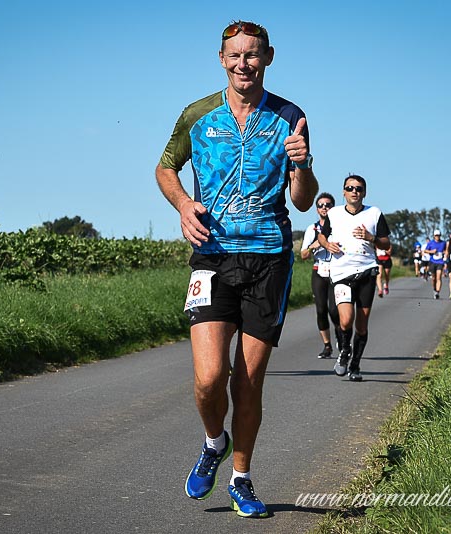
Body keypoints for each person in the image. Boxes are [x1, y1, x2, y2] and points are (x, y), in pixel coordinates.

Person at [155, 20, 318, 519]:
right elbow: (165, 167)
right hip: (212, 254)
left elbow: (303, 200)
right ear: (222, 59)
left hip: (269, 258)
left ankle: (241, 479)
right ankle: (214, 442)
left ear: (268, 57)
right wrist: (184, 205)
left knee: (247, 382)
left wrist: (303, 164)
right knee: (210, 378)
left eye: (252, 54)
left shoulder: (290, 116)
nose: (243, 63)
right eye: (235, 55)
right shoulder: (197, 115)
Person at [318, 175, 390, 382]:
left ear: (364, 193)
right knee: (346, 319)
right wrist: (326, 244)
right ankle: (344, 350)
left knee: (362, 325)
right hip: (341, 273)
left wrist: (371, 238)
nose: (354, 191)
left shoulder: (374, 213)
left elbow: (386, 244)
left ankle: (355, 365)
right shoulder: (334, 213)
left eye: (358, 188)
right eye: (350, 188)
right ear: (343, 192)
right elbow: (322, 235)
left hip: (366, 272)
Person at [300, 193, 340, 358]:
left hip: (337, 271)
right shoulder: (312, 229)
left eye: (328, 205)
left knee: (334, 310)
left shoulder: (339, 226)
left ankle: (341, 337)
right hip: (319, 271)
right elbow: (303, 255)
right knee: (321, 309)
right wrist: (313, 245)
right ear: (317, 209)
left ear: (333, 208)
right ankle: (327, 345)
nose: (324, 208)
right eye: (321, 205)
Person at [424, 230, 446, 299]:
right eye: (436, 235)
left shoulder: (443, 243)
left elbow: (446, 250)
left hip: (440, 262)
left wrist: (445, 253)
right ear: (434, 236)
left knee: (439, 277)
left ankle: (437, 292)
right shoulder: (431, 243)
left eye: (438, 235)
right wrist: (432, 251)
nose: (437, 237)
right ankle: (434, 289)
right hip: (432, 262)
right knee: (434, 278)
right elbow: (425, 250)